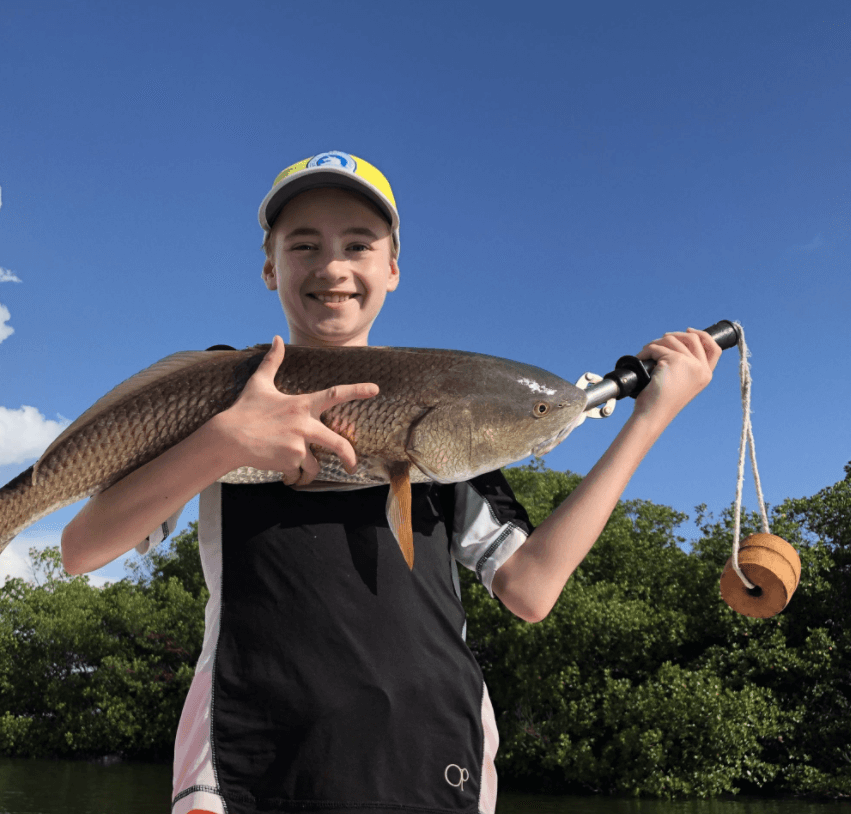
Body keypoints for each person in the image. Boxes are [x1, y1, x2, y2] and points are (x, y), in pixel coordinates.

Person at [60, 151, 722, 814]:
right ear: (270, 267)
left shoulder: (449, 426)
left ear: (393, 268)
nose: (332, 267)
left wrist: (649, 418)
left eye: (357, 244)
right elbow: (82, 548)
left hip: (432, 760)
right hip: (243, 759)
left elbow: (529, 589)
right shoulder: (220, 392)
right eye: (303, 244)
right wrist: (223, 442)